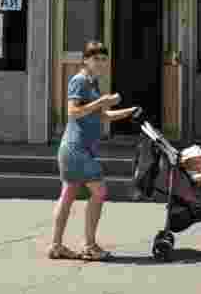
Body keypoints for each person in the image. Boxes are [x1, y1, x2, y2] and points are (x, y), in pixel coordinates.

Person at [48, 41, 139, 261]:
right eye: (96, 59)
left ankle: (56, 246)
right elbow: (73, 112)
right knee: (99, 192)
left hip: (74, 149)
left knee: (68, 195)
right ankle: (88, 245)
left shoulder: (92, 82)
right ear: (85, 60)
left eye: (103, 59)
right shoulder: (79, 81)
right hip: (77, 148)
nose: (100, 63)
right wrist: (102, 101)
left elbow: (102, 116)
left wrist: (129, 111)